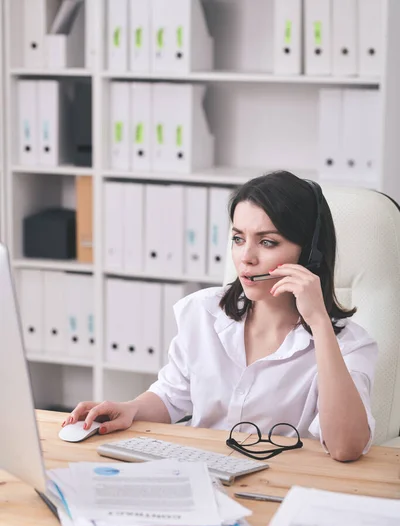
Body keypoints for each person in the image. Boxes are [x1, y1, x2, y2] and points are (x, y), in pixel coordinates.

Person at [64, 171, 378, 462]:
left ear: (309, 254)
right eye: (238, 238)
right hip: (201, 475)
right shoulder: (202, 312)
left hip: (283, 488)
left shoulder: (350, 345)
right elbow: (172, 398)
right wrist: (130, 409)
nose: (246, 257)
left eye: (267, 242)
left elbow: (345, 447)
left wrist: (320, 323)